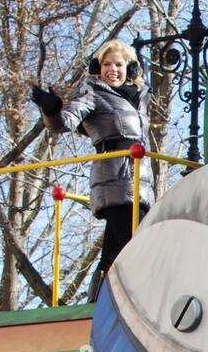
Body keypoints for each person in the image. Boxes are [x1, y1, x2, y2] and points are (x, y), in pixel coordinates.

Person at [30, 40, 152, 301]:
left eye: (119, 64)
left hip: (139, 182)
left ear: (130, 69)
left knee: (113, 252)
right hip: (116, 179)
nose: (113, 70)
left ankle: (93, 307)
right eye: (107, 64)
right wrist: (51, 110)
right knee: (138, 247)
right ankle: (138, 306)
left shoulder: (136, 99)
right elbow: (63, 123)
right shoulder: (92, 93)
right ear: (98, 68)